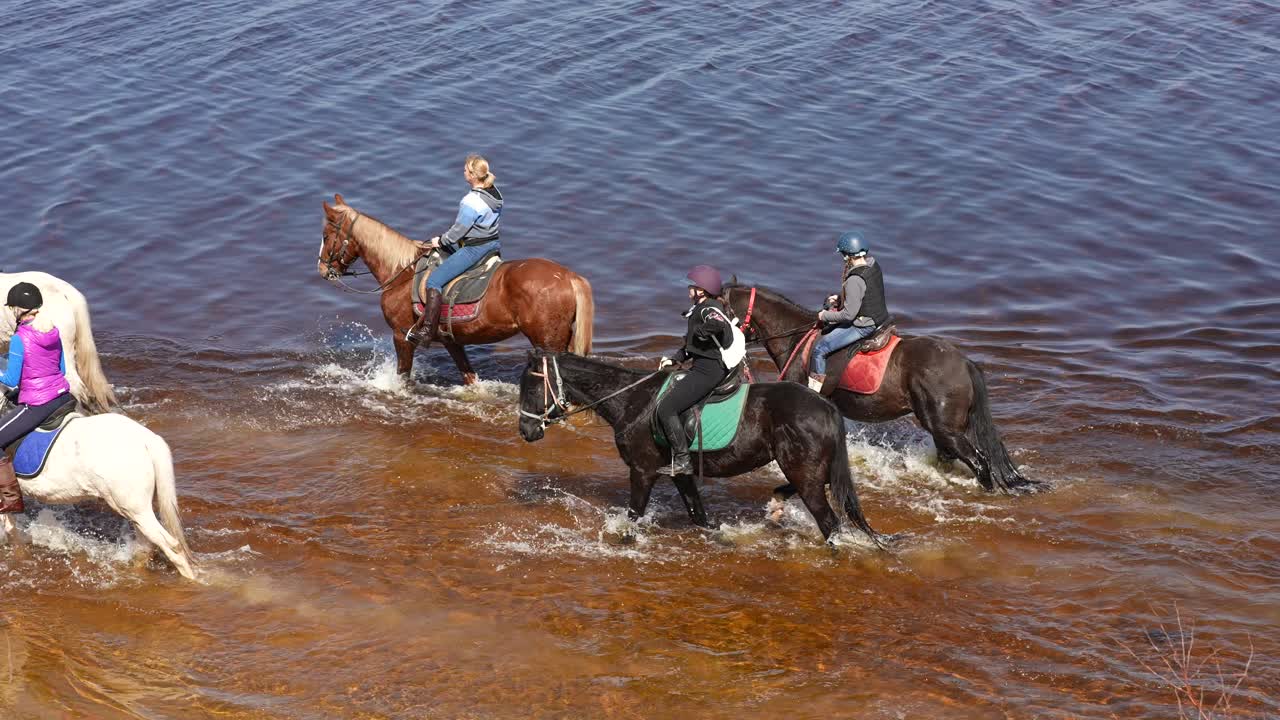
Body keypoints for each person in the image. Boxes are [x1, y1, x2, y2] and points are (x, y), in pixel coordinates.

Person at [405, 154, 504, 345]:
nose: (463, 171)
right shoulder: (495, 193)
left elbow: (459, 230)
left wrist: (441, 241)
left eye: (466, 170)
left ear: (473, 176)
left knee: (434, 280)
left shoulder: (471, 201)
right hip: (492, 244)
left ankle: (427, 332)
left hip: (474, 249)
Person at [655, 265, 744, 477]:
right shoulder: (699, 309)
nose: (689, 289)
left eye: (692, 286)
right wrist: (674, 360)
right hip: (701, 366)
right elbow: (690, 346)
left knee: (666, 409)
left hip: (708, 371)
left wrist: (706, 329)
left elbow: (719, 323)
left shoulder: (708, 309)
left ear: (701, 290)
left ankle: (683, 461)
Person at [0, 282, 76, 513]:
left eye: (12, 308)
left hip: (38, 404)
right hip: (63, 396)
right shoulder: (53, 331)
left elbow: (11, 380)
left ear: (18, 310)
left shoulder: (19, 339)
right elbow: (61, 369)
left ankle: (10, 499)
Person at [809, 231, 890, 392]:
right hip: (881, 317)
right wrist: (840, 299)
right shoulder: (873, 265)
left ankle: (814, 393)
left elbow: (848, 315)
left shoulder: (854, 279)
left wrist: (825, 315)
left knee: (819, 350)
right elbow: (867, 293)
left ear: (846, 256)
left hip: (864, 326)